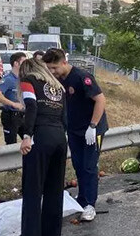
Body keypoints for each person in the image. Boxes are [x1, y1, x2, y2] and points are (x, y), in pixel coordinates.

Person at [13, 57, 68, 236]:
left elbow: (31, 106)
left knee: (33, 190)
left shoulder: (29, 81)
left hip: (41, 136)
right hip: (59, 137)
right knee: (54, 189)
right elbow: (65, 116)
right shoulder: (58, 87)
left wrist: (27, 136)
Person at [44, 48, 108, 221]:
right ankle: (82, 198)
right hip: (74, 129)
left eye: (55, 67)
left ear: (64, 62)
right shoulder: (58, 80)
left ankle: (90, 204)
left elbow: (100, 100)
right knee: (78, 165)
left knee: (89, 166)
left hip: (92, 130)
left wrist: (93, 126)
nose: (52, 71)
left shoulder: (82, 77)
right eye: (49, 68)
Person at [0, 52, 27, 144]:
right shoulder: (8, 79)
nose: (26, 65)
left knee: (30, 141)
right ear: (16, 63)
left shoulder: (24, 78)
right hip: (11, 115)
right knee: (11, 142)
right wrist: (13, 104)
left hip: (23, 115)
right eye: (24, 62)